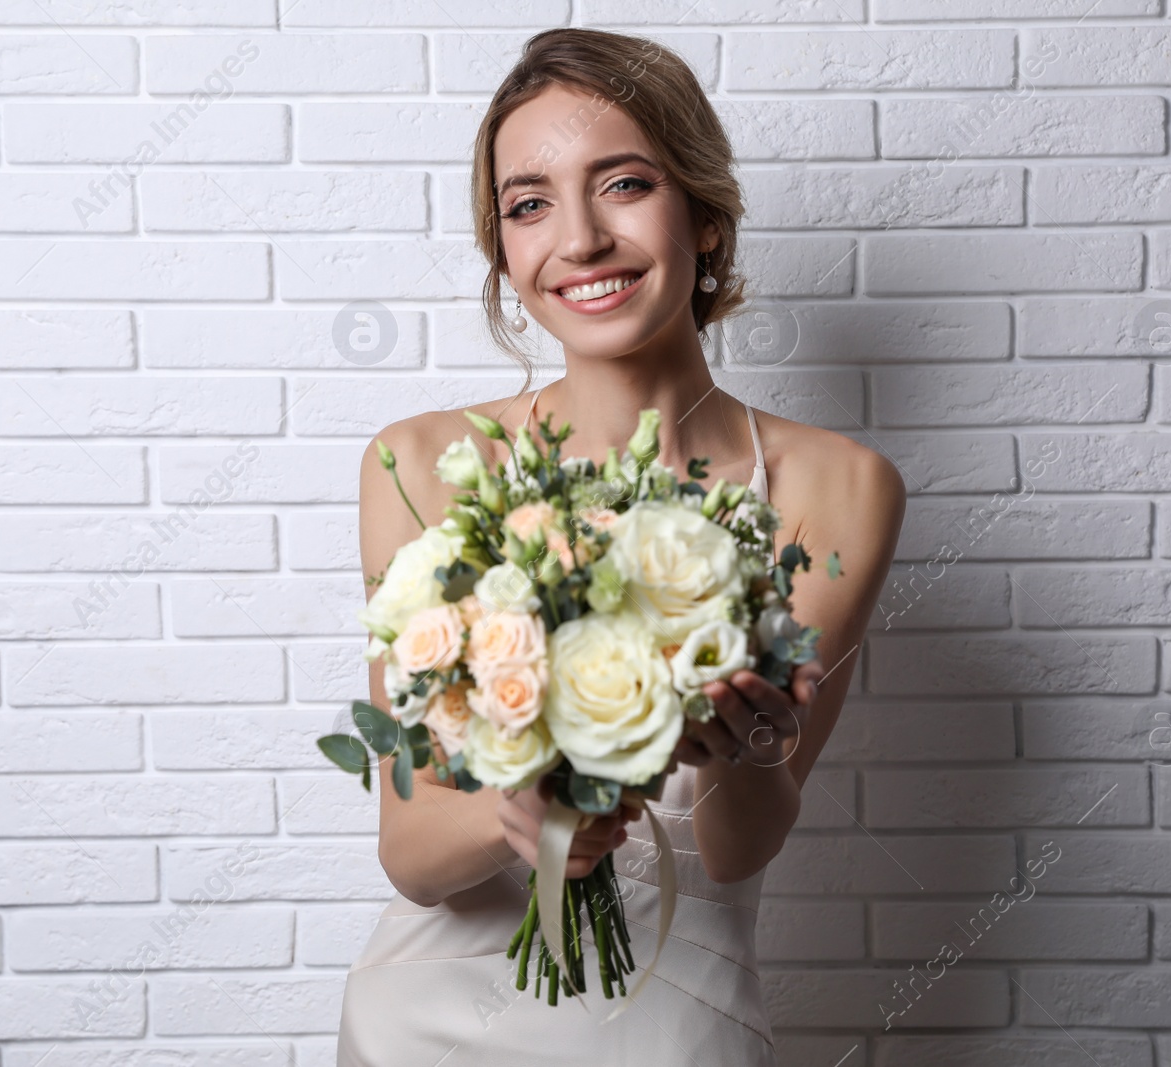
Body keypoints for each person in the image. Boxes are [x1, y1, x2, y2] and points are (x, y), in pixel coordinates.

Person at [335, 27, 906, 1066]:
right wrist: (520, 809)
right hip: (427, 1028)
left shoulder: (837, 487)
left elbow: (734, 850)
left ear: (707, 219)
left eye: (626, 183)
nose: (582, 238)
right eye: (528, 203)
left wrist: (743, 742)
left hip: (673, 1025)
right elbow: (411, 853)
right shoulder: (416, 463)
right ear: (504, 252)